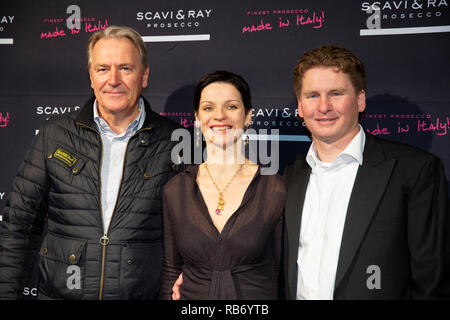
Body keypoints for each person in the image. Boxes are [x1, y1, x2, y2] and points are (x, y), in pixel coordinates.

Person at [0, 25, 180, 299]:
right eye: (103, 69)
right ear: (91, 76)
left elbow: (189, 238)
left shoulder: (174, 141)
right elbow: (18, 225)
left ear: (144, 75)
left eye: (126, 68)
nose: (114, 79)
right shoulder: (55, 134)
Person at [283, 45, 450, 299]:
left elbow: (432, 283)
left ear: (360, 101)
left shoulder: (415, 171)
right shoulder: (290, 177)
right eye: (312, 95)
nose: (324, 106)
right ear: (300, 106)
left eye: (336, 93)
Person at [160, 70, 287, 300]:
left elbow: (280, 273)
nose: (219, 115)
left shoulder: (274, 188)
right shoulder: (175, 190)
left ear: (248, 116)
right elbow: (171, 271)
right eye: (208, 108)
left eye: (231, 106)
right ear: (197, 119)